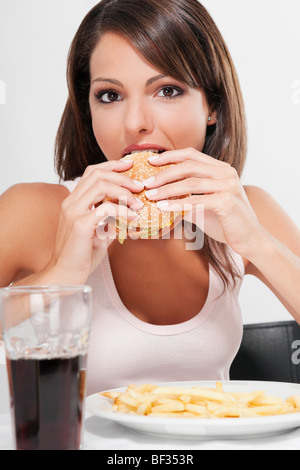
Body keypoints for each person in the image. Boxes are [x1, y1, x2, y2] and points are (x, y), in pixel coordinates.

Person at [1, 0, 300, 394]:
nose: (135, 123)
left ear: (211, 105)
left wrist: (256, 244)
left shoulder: (244, 209)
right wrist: (62, 275)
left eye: (168, 90)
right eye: (110, 95)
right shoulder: (34, 211)